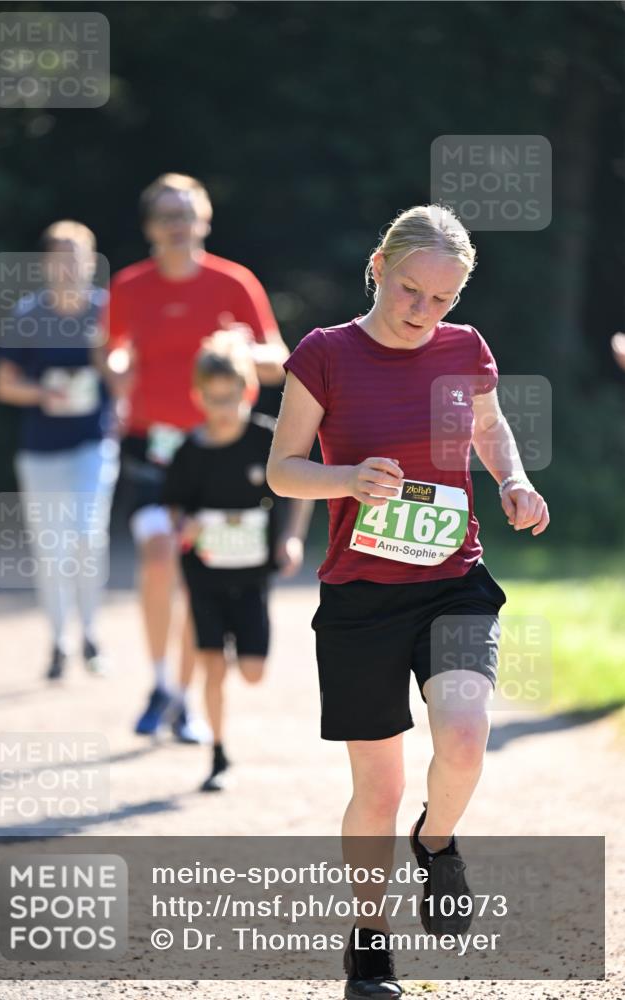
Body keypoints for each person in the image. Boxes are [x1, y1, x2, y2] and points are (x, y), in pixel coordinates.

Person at [266, 204, 549, 999]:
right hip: (359, 594)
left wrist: (514, 482)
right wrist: (345, 479)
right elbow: (283, 469)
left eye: (441, 300)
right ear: (378, 266)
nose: (424, 313)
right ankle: (369, 945)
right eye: (410, 291)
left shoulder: (466, 350)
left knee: (463, 734)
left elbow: (491, 432)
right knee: (378, 788)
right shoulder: (323, 354)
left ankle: (437, 841)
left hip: (451, 579)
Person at [100, 173, 289, 740]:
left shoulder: (234, 284)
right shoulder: (130, 287)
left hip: (222, 453)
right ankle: (161, 684)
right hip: (153, 451)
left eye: (187, 212)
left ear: (204, 220)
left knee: (199, 579)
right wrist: (116, 370)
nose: (177, 223)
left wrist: (241, 349)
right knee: (160, 558)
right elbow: (108, 354)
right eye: (166, 214)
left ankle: (185, 697)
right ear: (150, 226)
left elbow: (277, 359)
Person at [162, 331, 312, 791]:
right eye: (214, 399)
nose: (224, 408)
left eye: (233, 397)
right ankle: (218, 753)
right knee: (212, 665)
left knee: (251, 671)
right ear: (198, 396)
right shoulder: (189, 451)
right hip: (204, 576)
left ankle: (226, 667)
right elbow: (174, 509)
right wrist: (182, 527)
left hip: (252, 578)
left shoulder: (265, 439)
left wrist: (291, 537)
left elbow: (300, 487)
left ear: (247, 391)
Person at [0, 220, 119, 680]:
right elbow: (4, 385)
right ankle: (59, 641)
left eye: (77, 254)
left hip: (94, 444)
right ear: (46, 264)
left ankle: (91, 634)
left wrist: (116, 372)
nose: (68, 265)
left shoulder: (108, 312)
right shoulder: (29, 314)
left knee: (88, 537)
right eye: (60, 255)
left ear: (90, 261)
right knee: (53, 549)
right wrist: (44, 393)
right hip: (40, 451)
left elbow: (126, 373)